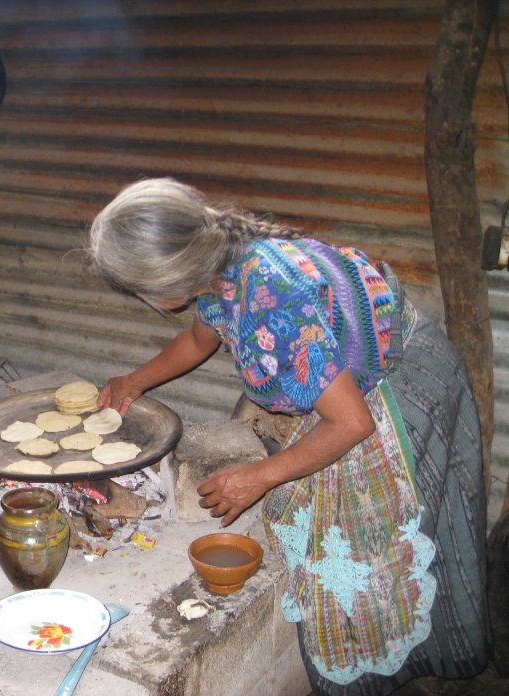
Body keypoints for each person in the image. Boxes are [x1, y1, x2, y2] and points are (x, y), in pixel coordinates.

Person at [88, 177, 489, 695]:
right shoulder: (219, 267)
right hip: (352, 386)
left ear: (165, 283)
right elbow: (197, 338)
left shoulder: (271, 295)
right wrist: (133, 381)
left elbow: (351, 424)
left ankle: (377, 670)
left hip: (398, 386)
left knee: (359, 549)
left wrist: (258, 476)